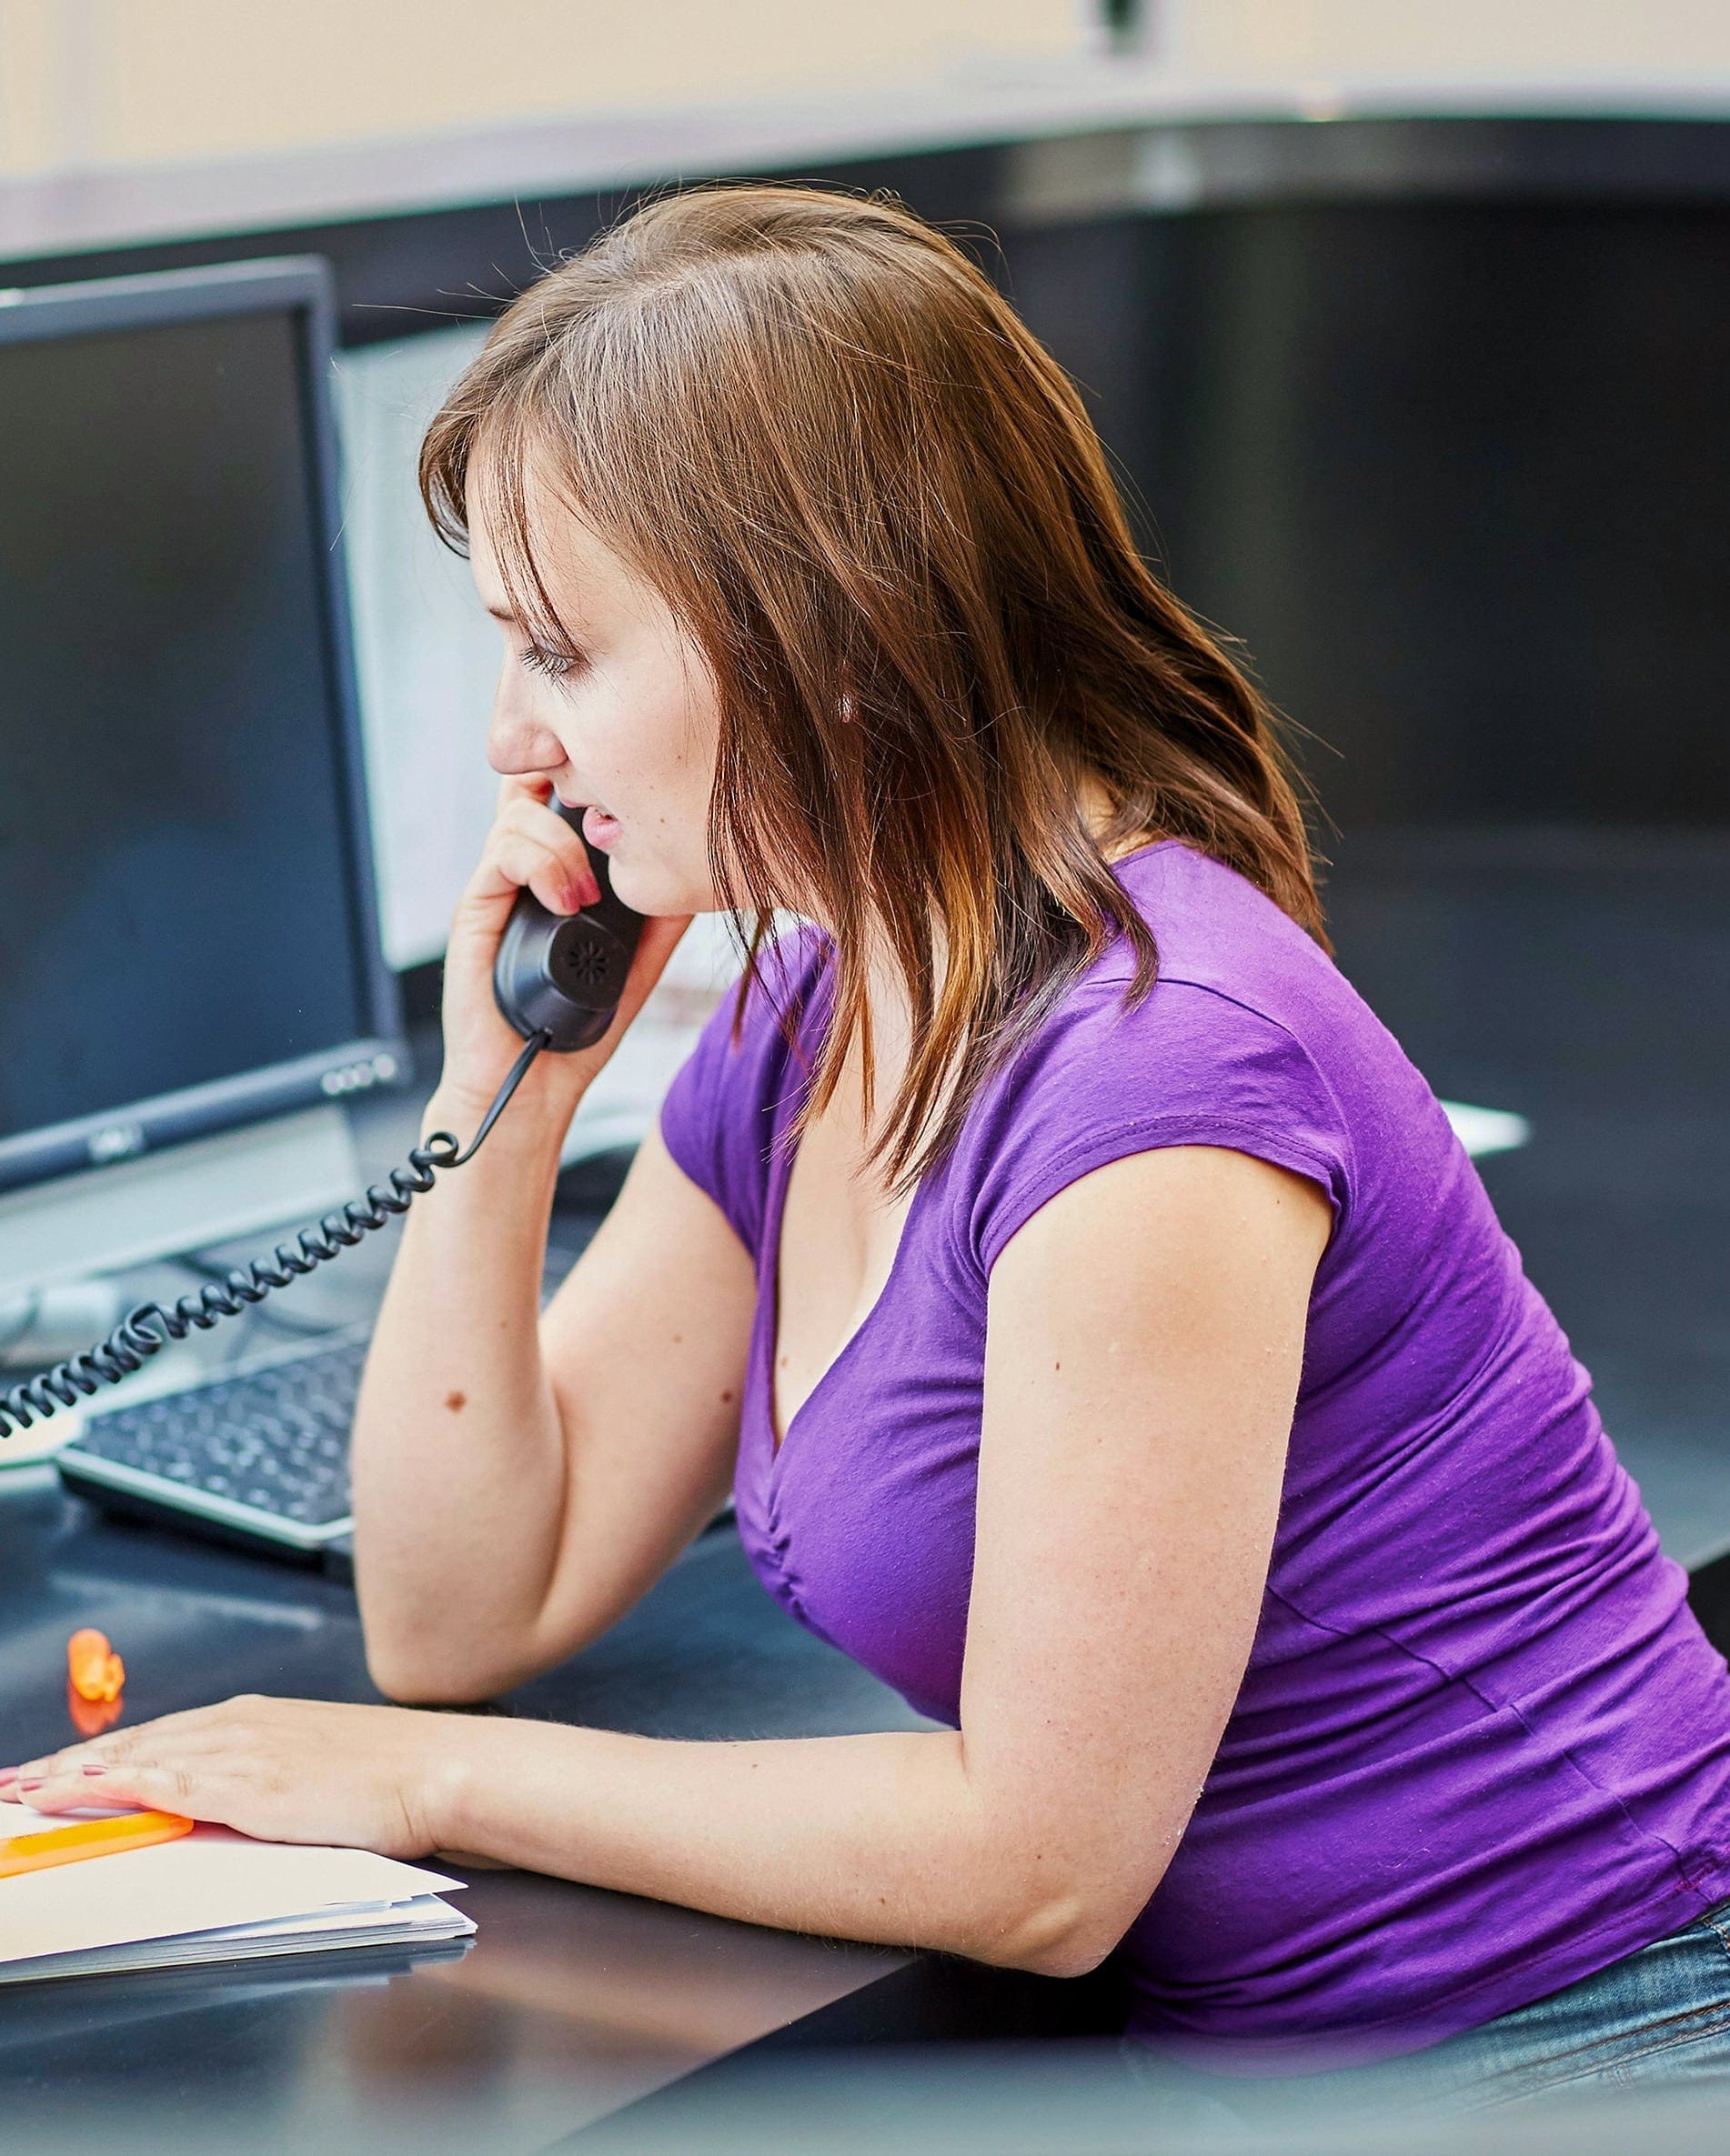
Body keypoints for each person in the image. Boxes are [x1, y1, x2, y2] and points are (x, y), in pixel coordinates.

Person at [9, 185, 1730, 2105]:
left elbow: (1040, 1867)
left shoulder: (1156, 1083)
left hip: (1594, 2041)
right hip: (1315, 2070)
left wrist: (428, 1786)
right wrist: (499, 1104)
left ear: (835, 639)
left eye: (560, 651)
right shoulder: (820, 1000)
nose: (512, 743)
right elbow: (461, 1605)